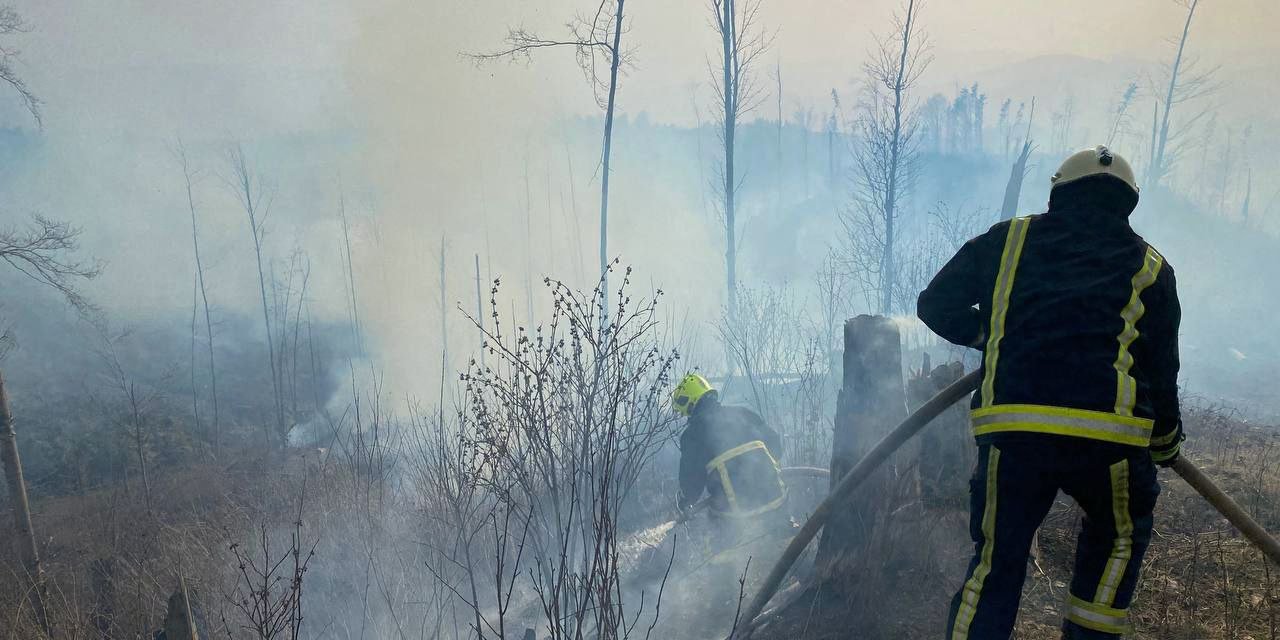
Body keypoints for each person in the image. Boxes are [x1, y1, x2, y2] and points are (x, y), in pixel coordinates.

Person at [917, 145, 1184, 639]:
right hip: (1111, 441)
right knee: (1118, 541)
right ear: (1129, 202)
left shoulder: (1008, 239)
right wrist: (1165, 441)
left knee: (995, 566)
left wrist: (988, 334)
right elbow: (1160, 367)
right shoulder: (1152, 268)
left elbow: (936, 303)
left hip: (1015, 435)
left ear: (1058, 191)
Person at [671, 373, 787, 521]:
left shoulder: (692, 435)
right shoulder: (743, 413)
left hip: (736, 517)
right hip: (778, 503)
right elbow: (775, 444)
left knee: (714, 539)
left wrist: (684, 502)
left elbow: (692, 483)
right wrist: (763, 475)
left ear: (690, 402)